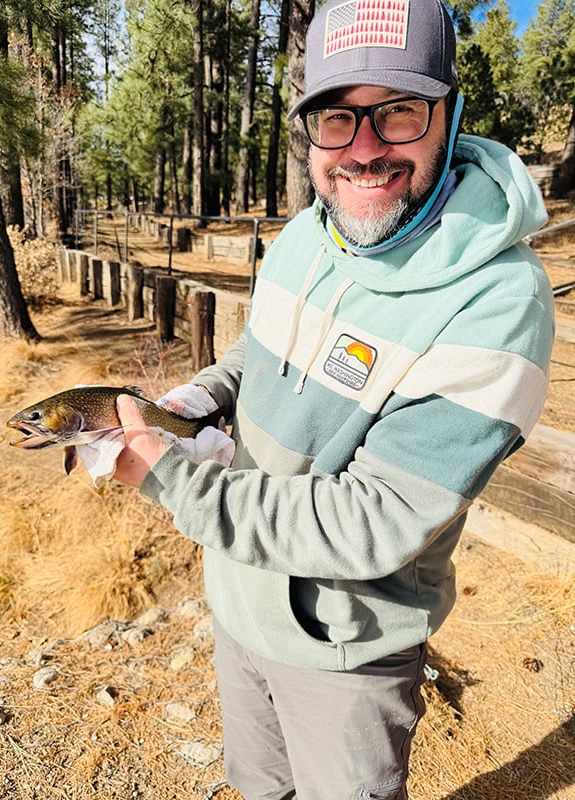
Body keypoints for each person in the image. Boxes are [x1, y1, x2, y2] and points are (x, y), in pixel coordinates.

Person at [112, 0, 555, 797]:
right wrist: (199, 399)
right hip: (239, 594)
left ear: (449, 113)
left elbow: (378, 520)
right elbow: (264, 350)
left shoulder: (498, 302)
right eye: (336, 119)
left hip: (345, 646)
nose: (364, 151)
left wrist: (171, 481)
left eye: (398, 112)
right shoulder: (308, 234)